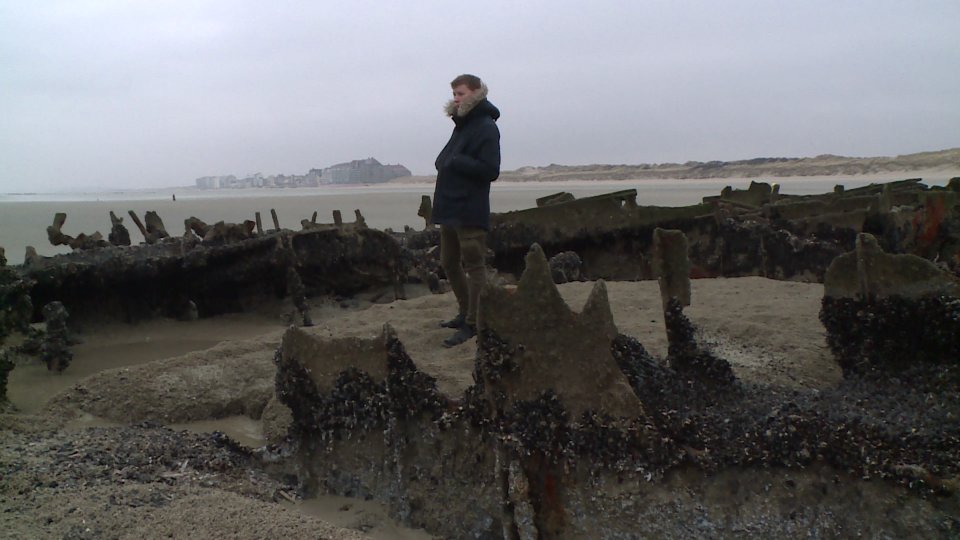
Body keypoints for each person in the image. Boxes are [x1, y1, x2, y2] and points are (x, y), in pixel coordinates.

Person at [432, 74, 501, 347]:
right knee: (448, 262)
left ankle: (475, 322)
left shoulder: (486, 126)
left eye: (460, 94)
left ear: (475, 93)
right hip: (450, 207)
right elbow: (448, 159)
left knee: (475, 266)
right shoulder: (461, 124)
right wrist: (445, 160)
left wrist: (456, 160)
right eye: (454, 94)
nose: (456, 99)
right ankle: (464, 312)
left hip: (469, 208)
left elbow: (490, 170)